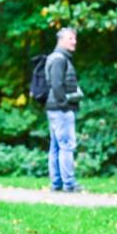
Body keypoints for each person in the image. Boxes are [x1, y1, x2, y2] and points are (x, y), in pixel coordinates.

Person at [45, 27, 84, 192]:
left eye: (75, 38)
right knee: (66, 146)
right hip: (60, 110)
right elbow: (56, 84)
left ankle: (57, 183)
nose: (74, 41)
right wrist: (64, 104)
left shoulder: (57, 57)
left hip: (54, 108)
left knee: (55, 147)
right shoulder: (60, 58)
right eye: (71, 38)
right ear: (61, 40)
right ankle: (69, 184)